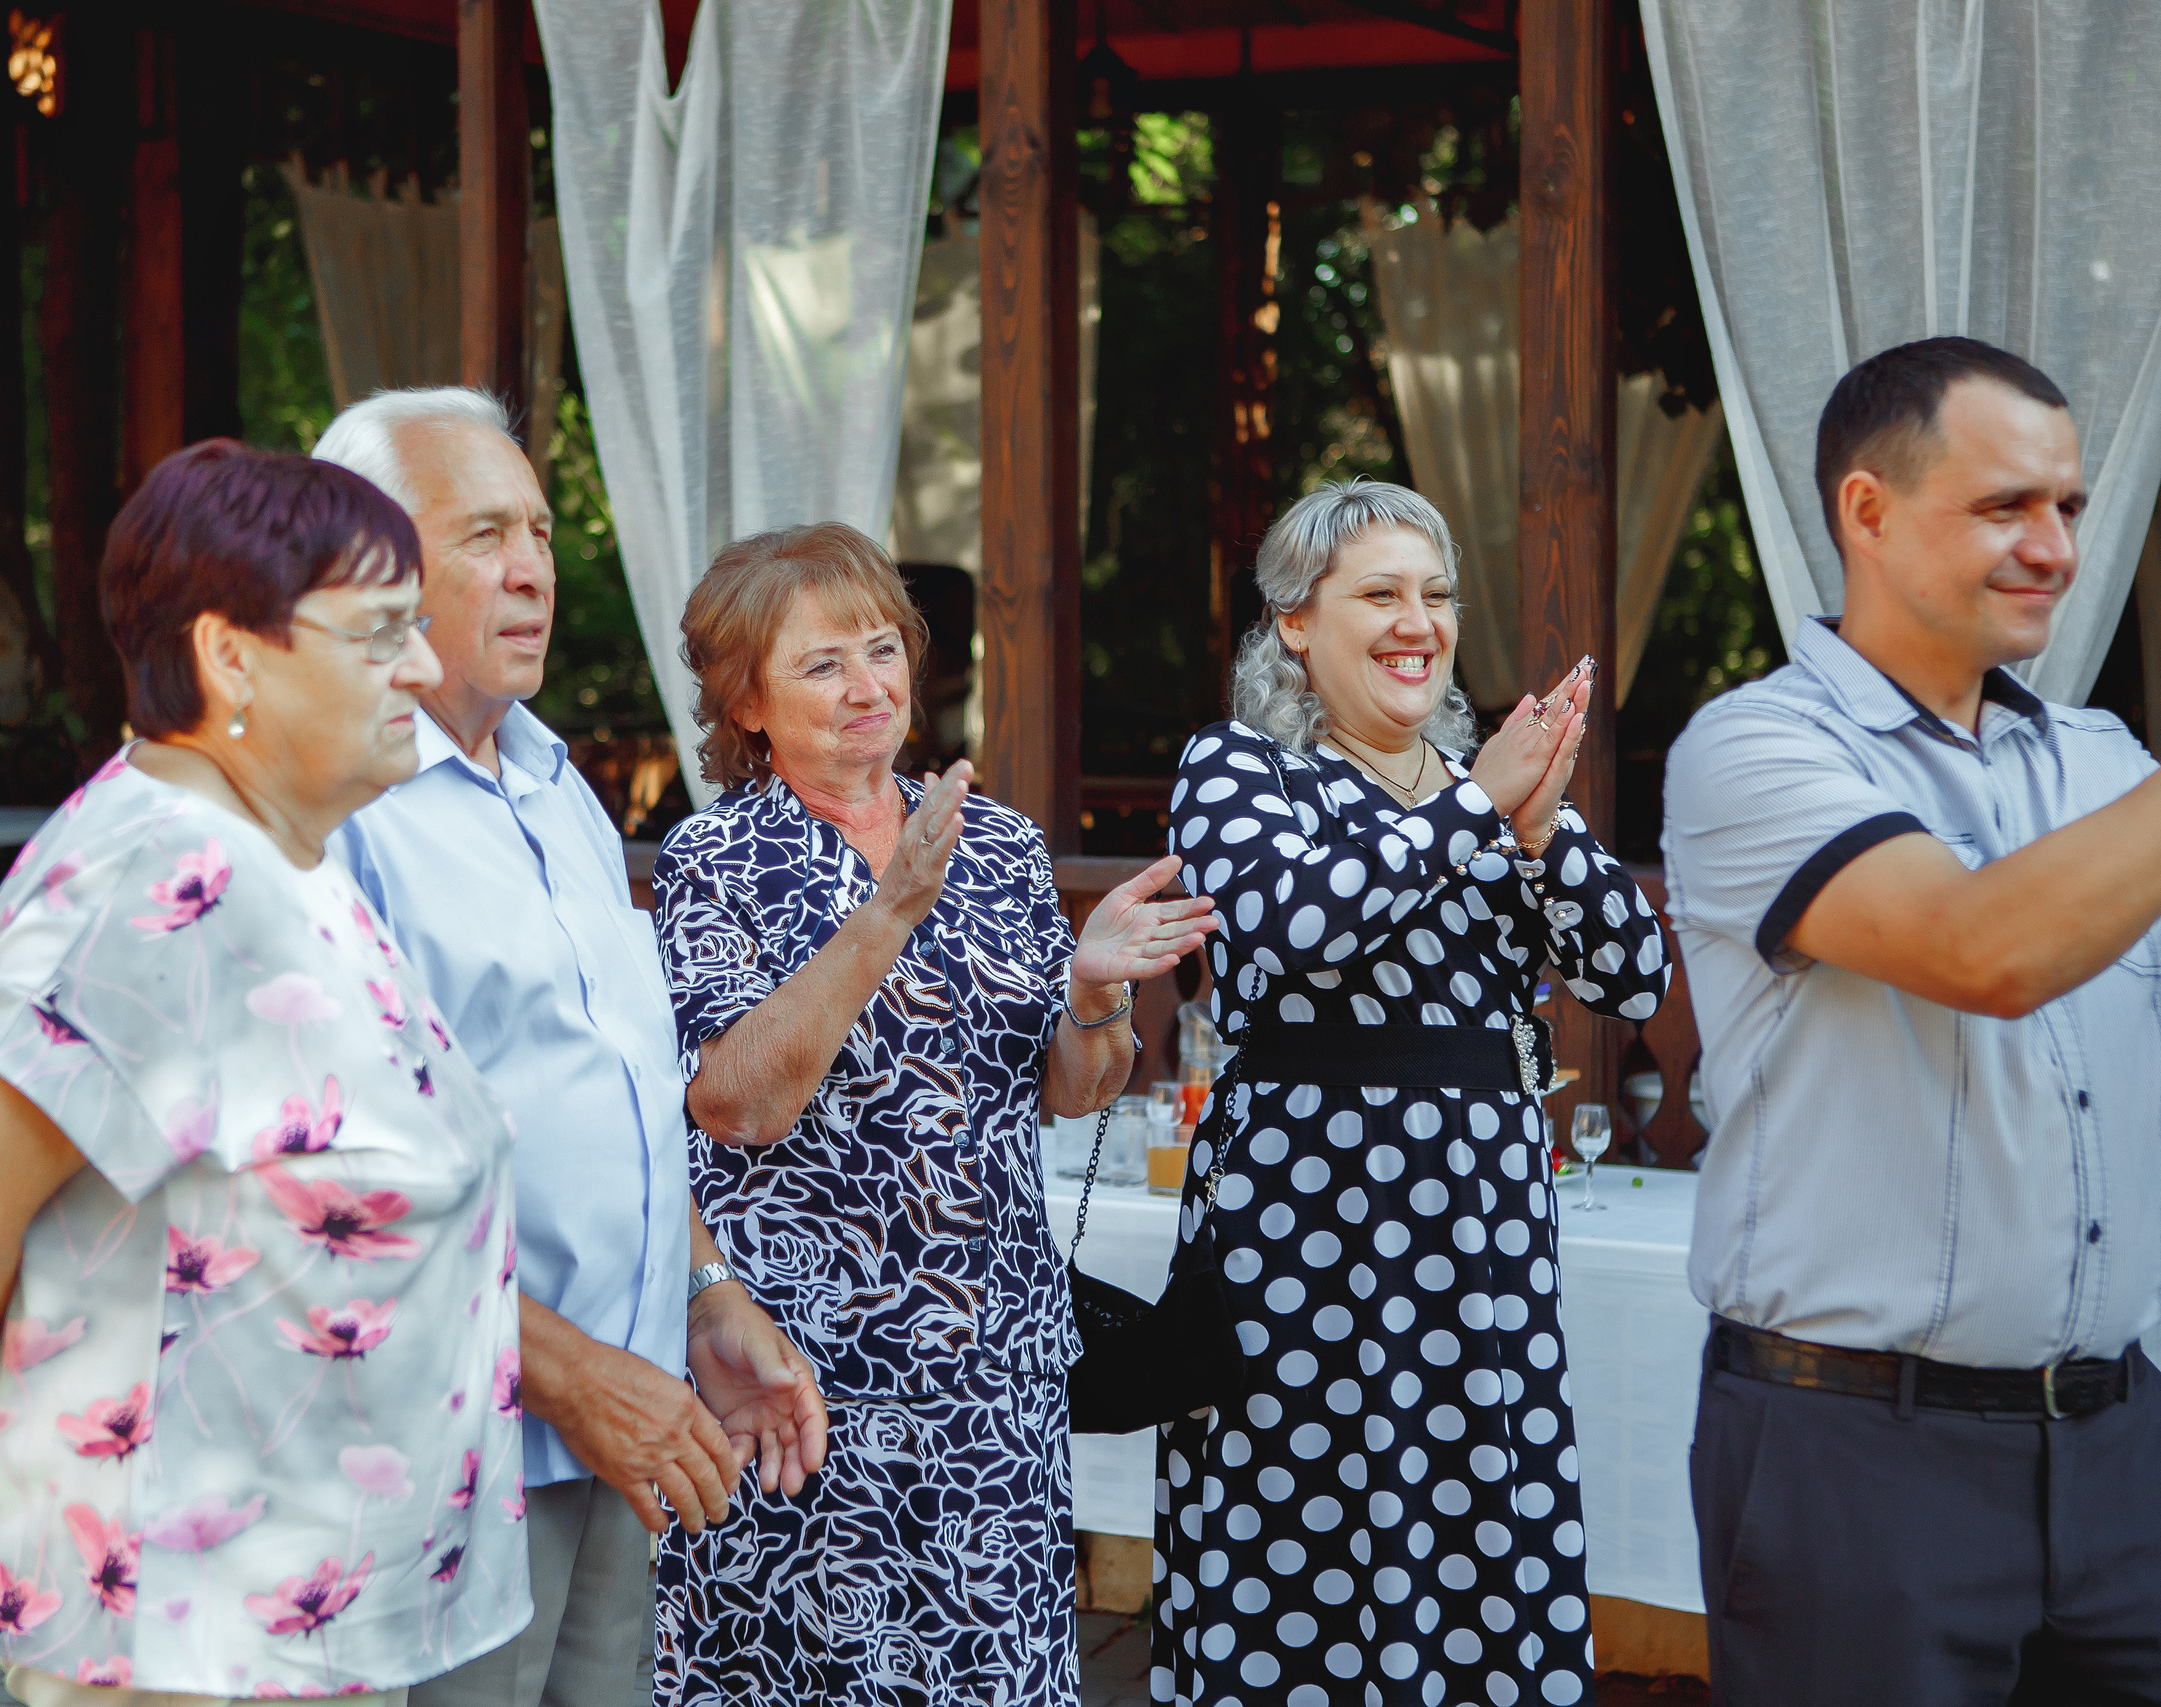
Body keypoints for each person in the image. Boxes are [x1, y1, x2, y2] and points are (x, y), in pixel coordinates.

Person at [0, 441, 531, 1705]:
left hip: (299, 1622)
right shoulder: (151, 877)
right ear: (230, 658)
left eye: (418, 626)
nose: (424, 668)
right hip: (188, 1643)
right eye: (381, 633)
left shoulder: (285, 850)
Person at [1662, 336, 2161, 1704]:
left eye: (2067, 505)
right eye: (2007, 505)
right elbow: (1986, 947)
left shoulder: (2107, 761)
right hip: (1854, 1455)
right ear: (1865, 511)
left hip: (2117, 1444)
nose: (2052, 544)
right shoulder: (1753, 749)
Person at [311, 387, 828, 1707]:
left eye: (540, 529)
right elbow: (330, 1185)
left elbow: (627, 1105)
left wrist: (702, 1292)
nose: (534, 565)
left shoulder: (556, 784)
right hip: (446, 1447)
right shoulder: (335, 809)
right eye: (485, 533)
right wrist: (575, 1371)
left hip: (616, 1424)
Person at [648, 522, 1217, 1705]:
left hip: (991, 1372)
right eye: (822, 665)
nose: (869, 687)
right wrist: (889, 909)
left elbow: (1070, 1088)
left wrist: (1095, 991)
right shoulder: (715, 859)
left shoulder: (998, 845)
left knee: (990, 1674)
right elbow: (734, 1105)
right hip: (796, 1376)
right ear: (746, 702)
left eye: (883, 650)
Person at [1155, 478, 1671, 1707]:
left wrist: (1539, 831)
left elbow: (1635, 976)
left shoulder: (1475, 785)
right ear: (1294, 621)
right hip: (1302, 1229)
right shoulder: (1240, 770)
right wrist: (1476, 807)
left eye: (1434, 595)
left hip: (1480, 1229)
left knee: (1478, 1522)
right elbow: (1301, 925)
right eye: (1378, 593)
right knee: (1294, 1524)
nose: (1417, 621)